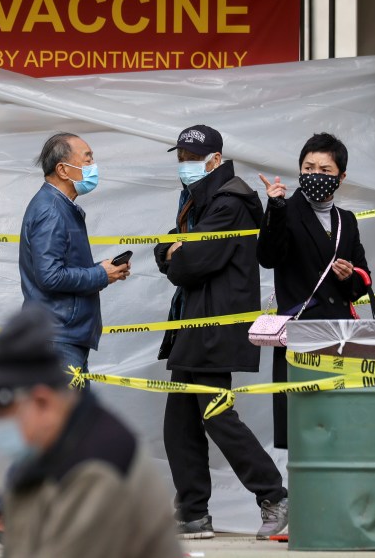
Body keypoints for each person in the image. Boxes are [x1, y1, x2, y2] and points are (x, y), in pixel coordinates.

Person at [0, 131, 130, 538]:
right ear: (64, 168)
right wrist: (100, 274)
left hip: (65, 333)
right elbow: (50, 274)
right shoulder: (51, 209)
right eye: (88, 158)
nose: (94, 166)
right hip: (57, 336)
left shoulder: (62, 207)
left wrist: (100, 271)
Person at [154, 124, 288, 540]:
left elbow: (190, 262)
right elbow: (168, 248)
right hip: (195, 321)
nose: (184, 166)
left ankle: (274, 495)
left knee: (216, 416)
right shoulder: (202, 198)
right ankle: (193, 513)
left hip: (214, 322)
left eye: (191, 159)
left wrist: (178, 251)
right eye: (180, 158)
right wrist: (174, 249)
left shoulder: (230, 200)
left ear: (214, 159)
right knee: (181, 423)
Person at [0, 306, 182, 558]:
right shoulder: (48, 452)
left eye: (3, 417)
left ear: (42, 402)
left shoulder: (95, 468)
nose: (0, 431)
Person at [256, 132, 371, 449]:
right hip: (300, 336)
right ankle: (305, 497)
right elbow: (267, 257)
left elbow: (362, 283)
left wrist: (349, 276)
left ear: (341, 177)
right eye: (308, 168)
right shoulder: (286, 210)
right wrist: (275, 208)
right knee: (304, 429)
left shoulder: (346, 220)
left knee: (339, 426)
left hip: (339, 336)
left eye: (325, 170)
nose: (315, 176)